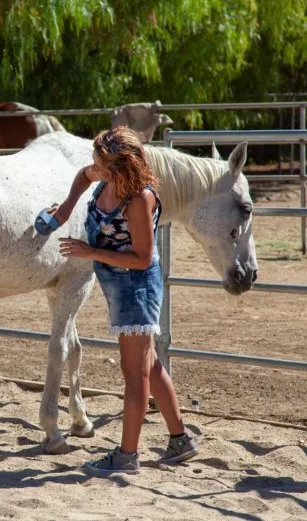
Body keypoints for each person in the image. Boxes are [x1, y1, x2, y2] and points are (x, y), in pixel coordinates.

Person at [49, 125, 198, 476]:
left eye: (100, 162)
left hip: (136, 287)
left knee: (134, 373)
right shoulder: (104, 177)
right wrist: (66, 208)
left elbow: (143, 258)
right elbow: (83, 178)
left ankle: (127, 455)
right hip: (118, 285)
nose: (93, 167)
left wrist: (92, 252)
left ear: (121, 165)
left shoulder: (139, 200)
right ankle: (180, 440)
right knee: (148, 365)